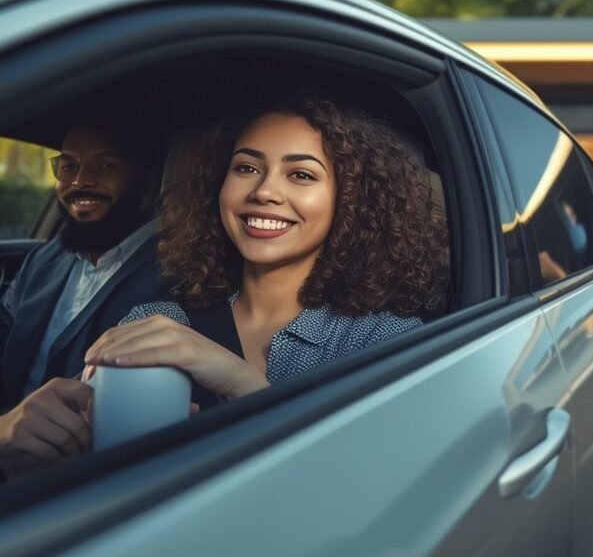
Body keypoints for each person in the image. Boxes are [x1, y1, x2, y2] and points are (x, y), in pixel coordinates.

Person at [83, 89, 448, 410]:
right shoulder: (155, 323)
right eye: (246, 167)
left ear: (352, 200)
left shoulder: (380, 341)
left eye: (301, 175)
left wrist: (240, 382)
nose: (264, 191)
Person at [0, 121, 169, 481]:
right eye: (69, 166)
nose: (79, 181)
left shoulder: (181, 273)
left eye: (106, 165)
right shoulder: (46, 258)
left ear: (147, 179)